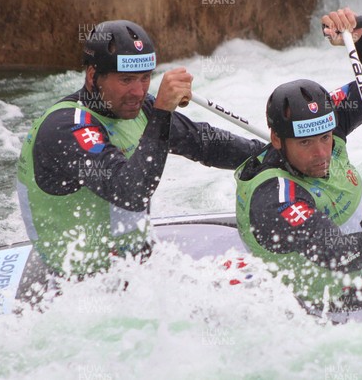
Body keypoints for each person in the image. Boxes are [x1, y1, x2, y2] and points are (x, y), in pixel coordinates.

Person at [17, 20, 264, 277]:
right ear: (93, 76)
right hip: (78, 284)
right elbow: (131, 193)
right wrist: (162, 114)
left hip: (132, 270)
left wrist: (275, 153)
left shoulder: (139, 109)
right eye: (126, 80)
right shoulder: (67, 128)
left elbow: (204, 142)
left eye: (145, 78)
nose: (138, 91)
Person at [235, 8, 362, 315]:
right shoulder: (276, 197)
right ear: (277, 139)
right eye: (305, 143)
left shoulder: (326, 118)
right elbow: (334, 254)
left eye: (325, 138)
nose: (322, 153)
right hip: (344, 294)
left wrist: (360, 39)